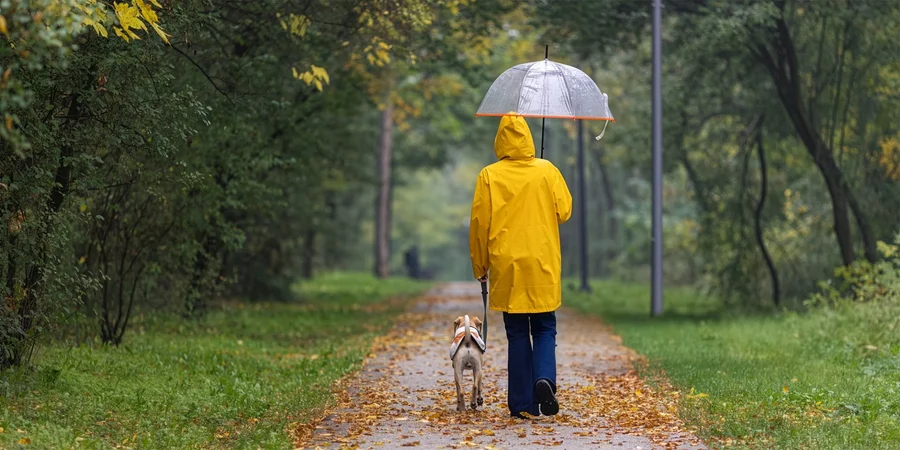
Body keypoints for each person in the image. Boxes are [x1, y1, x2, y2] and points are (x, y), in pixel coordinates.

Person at [468, 113, 573, 419]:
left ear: (500, 140)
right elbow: (564, 211)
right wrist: (545, 180)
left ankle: (523, 403)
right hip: (542, 262)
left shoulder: (489, 175)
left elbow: (479, 225)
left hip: (508, 265)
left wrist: (480, 266)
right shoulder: (547, 170)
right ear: (527, 137)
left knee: (516, 332)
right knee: (544, 327)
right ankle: (545, 379)